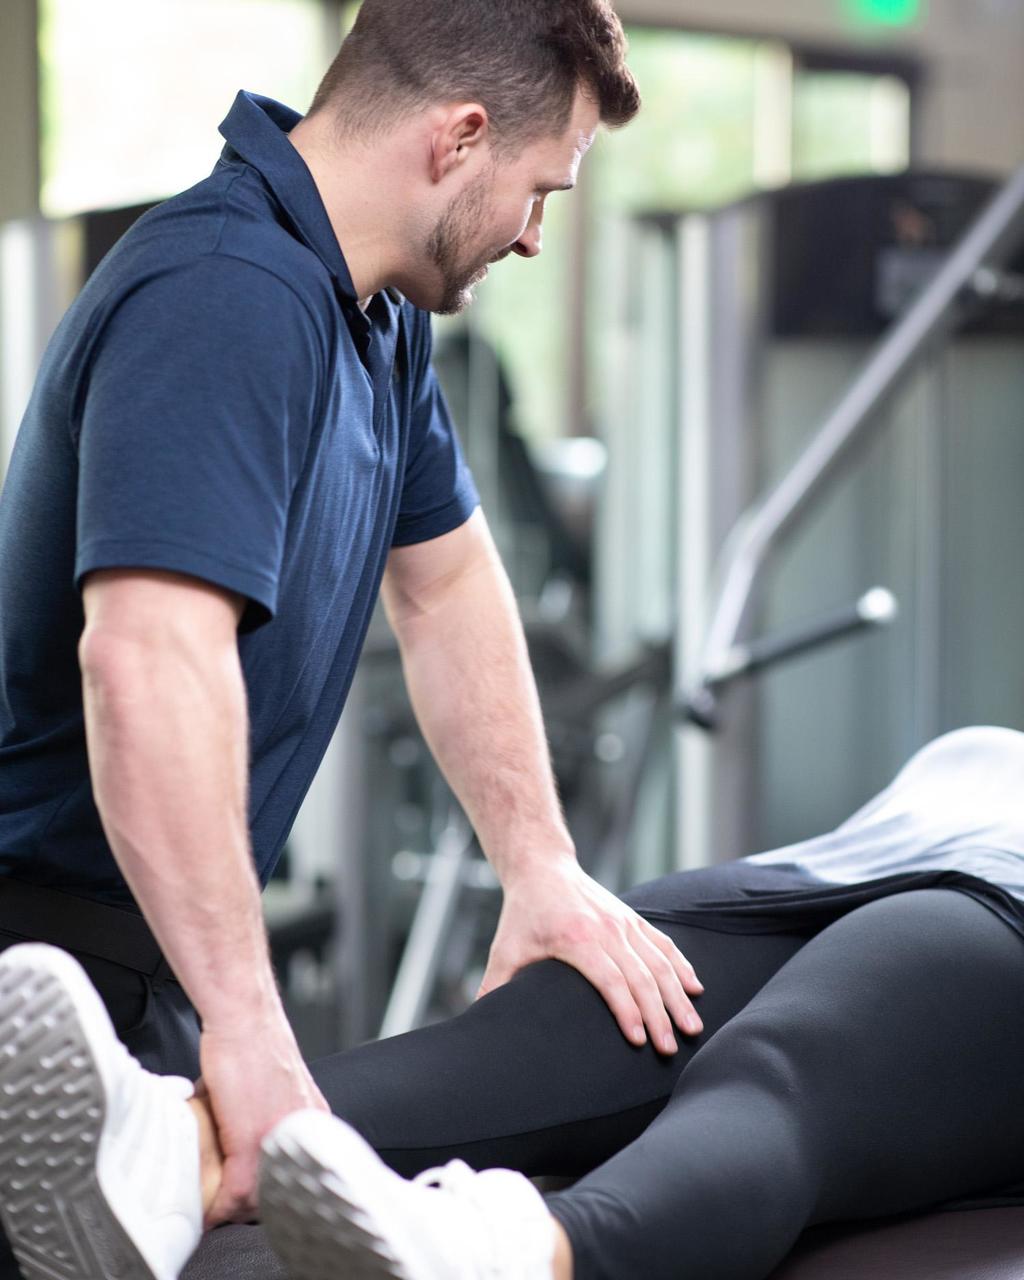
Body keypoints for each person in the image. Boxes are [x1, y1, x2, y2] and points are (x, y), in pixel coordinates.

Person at [0, 3, 707, 1268]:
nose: (539, 236)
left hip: (143, 969)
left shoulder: (378, 317)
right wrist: (248, 1018)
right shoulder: (226, 295)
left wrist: (539, 865)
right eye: (539, 191)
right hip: (44, 979)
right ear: (459, 138)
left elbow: (446, 587)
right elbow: (146, 659)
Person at [3, 726, 1024, 1280]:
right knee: (534, 1030)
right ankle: (170, 1151)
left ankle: (512, 1250)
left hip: (1002, 909)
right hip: (863, 851)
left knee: (780, 1068)